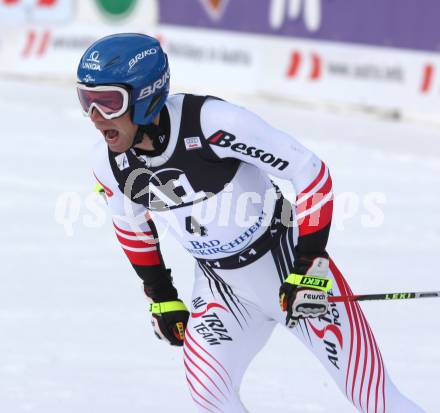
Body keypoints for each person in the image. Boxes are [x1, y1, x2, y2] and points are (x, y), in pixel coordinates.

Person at [76, 33, 425, 412]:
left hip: (288, 266)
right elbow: (132, 228)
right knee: (209, 393)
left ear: (146, 95)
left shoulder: (210, 122)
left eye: (109, 103)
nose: (96, 118)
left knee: (376, 400)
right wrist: (161, 296)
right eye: (86, 101)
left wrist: (309, 266)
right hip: (220, 287)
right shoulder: (108, 164)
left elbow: (311, 173)